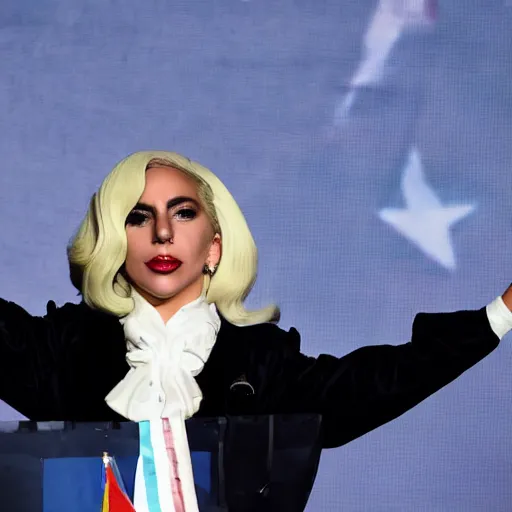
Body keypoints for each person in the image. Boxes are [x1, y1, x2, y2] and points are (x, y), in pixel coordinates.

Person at [0, 150, 511, 510]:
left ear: (214, 247)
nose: (162, 232)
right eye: (138, 217)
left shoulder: (259, 360)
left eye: (183, 213)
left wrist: (498, 315)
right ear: (116, 239)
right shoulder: (67, 348)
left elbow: (371, 384)